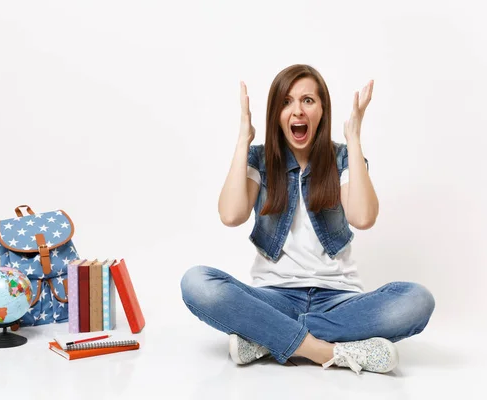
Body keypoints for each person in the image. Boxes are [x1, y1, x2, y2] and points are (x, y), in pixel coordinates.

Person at [180, 64, 435, 375]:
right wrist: (243, 139)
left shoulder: (341, 157)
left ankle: (265, 337)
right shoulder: (259, 160)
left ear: (322, 110)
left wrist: (354, 137)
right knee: (197, 283)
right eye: (286, 102)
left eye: (308, 101)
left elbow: (363, 217)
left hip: (338, 301)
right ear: (275, 114)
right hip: (273, 296)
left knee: (417, 300)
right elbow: (230, 215)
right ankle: (326, 351)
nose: (297, 111)